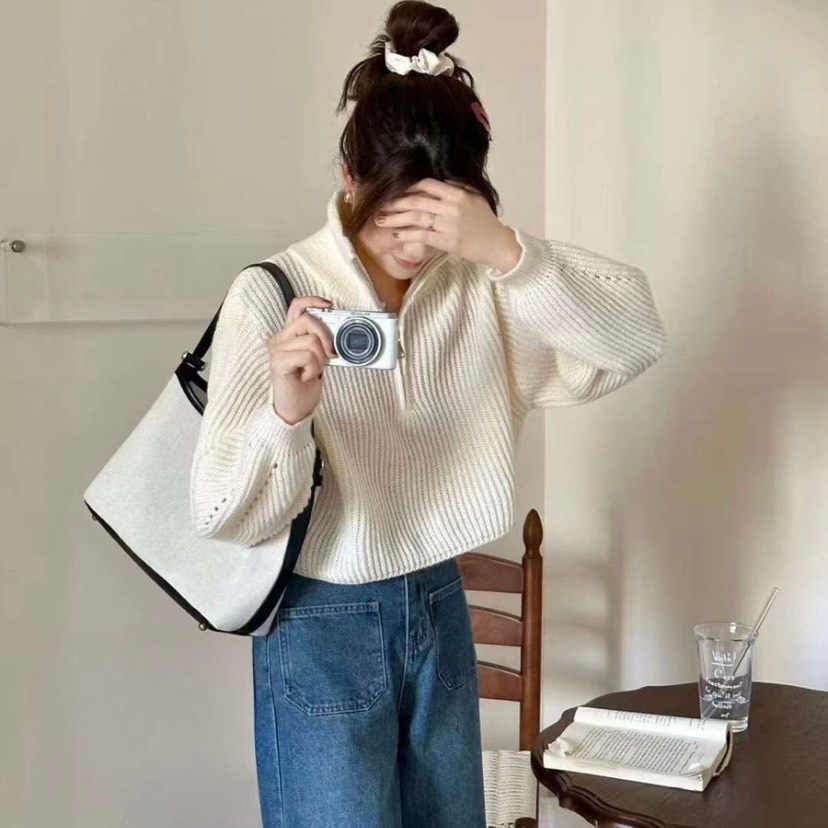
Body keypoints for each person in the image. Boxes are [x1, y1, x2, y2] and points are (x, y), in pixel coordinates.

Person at [189, 2, 666, 826]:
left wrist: (507, 252)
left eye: (438, 217)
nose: (414, 246)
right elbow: (221, 513)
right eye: (395, 215)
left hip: (441, 602)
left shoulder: (487, 282)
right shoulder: (272, 292)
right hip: (320, 618)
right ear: (351, 176)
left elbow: (634, 340)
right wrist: (286, 418)